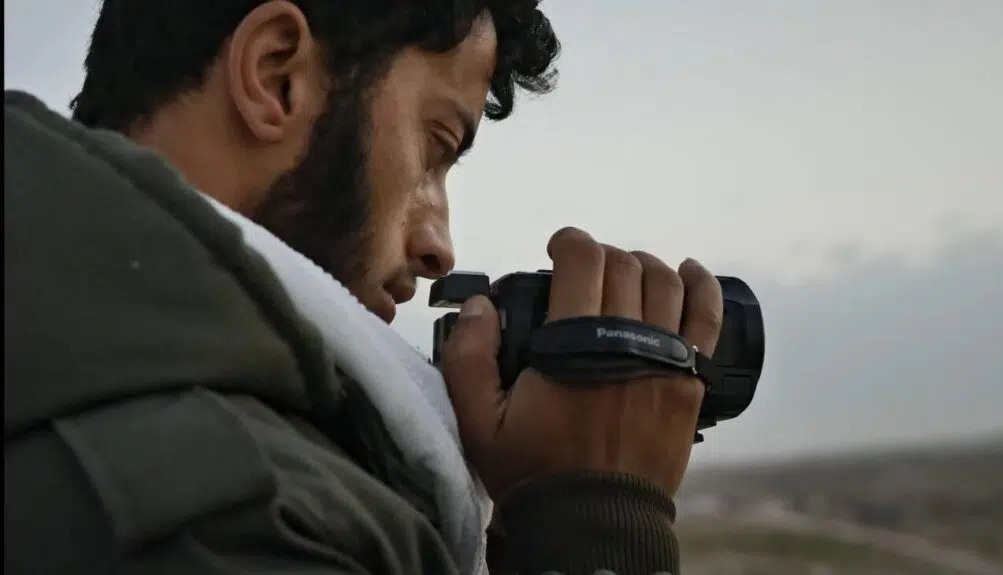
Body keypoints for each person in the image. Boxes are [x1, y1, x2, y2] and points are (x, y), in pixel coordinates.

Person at [4, 1, 724, 574]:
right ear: (276, 76)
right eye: (437, 147)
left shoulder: (71, 382)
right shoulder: (235, 516)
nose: (439, 246)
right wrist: (592, 522)